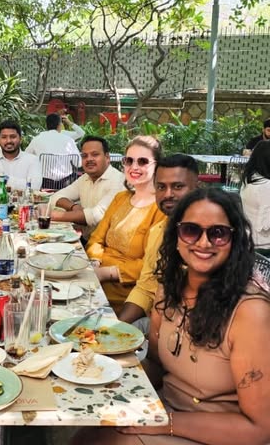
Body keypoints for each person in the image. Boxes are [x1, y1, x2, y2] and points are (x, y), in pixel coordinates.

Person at [72, 188, 270, 445]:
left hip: (216, 432)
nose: (204, 242)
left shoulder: (249, 312)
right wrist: (103, 379)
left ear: (234, 241)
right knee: (88, 429)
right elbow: (156, 365)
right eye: (191, 230)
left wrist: (165, 422)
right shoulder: (169, 290)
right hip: (164, 409)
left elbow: (259, 428)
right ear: (176, 236)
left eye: (218, 233)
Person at [86, 135, 166, 313]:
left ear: (157, 165)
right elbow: (97, 238)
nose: (134, 167)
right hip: (94, 283)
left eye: (142, 161)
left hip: (126, 296)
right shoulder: (120, 198)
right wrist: (95, 262)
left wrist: (107, 273)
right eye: (129, 161)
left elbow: (149, 266)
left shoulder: (160, 209)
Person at [118, 154, 199, 326]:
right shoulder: (158, 232)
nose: (168, 194)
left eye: (178, 186)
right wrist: (117, 327)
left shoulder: (207, 238)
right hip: (160, 319)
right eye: (161, 187)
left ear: (197, 188)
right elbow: (145, 288)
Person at [48, 135, 124, 239]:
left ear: (107, 158)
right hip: (86, 240)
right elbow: (55, 197)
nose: (89, 159)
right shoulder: (85, 178)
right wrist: (73, 207)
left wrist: (50, 216)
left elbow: (95, 216)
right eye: (84, 156)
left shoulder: (118, 181)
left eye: (95, 154)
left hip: (107, 246)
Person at [0, 119, 43, 191]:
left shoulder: (32, 160)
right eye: (4, 137)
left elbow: (34, 187)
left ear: (20, 139)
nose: (8, 141)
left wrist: (3, 180)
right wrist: (21, 185)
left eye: (13, 137)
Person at [26, 113, 81, 189]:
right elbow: (78, 163)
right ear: (59, 125)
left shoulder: (37, 139)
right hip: (66, 185)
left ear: (46, 125)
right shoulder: (69, 140)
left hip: (44, 184)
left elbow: (26, 157)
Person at [240, 140, 270, 254]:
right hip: (263, 246)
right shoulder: (266, 185)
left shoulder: (249, 178)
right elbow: (265, 225)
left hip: (248, 239)